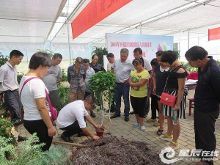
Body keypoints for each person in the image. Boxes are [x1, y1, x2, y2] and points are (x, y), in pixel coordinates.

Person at [185, 46, 220, 165]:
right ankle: (201, 156)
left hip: (208, 109)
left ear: (199, 60)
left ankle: (207, 161)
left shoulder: (215, 71)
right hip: (200, 107)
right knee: (199, 134)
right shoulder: (202, 67)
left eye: (190, 61)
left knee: (207, 136)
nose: (189, 63)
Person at [19, 52, 56, 151]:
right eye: (47, 67)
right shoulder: (36, 82)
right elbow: (42, 107)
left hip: (28, 120)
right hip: (38, 121)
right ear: (40, 66)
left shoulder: (25, 78)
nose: (47, 71)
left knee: (39, 145)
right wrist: (50, 127)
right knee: (44, 148)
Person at [159, 51, 187, 148]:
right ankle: (168, 134)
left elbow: (181, 89)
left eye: (165, 62)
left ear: (170, 60)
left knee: (175, 120)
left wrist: (178, 104)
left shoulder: (180, 71)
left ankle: (175, 141)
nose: (164, 64)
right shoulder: (172, 68)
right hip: (169, 96)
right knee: (169, 117)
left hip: (175, 98)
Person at [0, 50, 24, 124]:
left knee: (19, 107)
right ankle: (13, 128)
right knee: (15, 110)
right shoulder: (4, 68)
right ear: (13, 57)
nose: (20, 61)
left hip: (15, 91)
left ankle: (15, 130)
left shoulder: (14, 68)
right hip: (8, 92)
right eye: (19, 59)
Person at [111, 48, 133, 121]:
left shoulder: (129, 63)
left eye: (124, 56)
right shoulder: (116, 61)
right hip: (117, 84)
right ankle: (117, 112)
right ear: (120, 54)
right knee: (117, 99)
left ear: (127, 55)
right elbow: (112, 68)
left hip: (125, 85)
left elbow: (133, 73)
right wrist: (112, 76)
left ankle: (126, 114)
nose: (123, 58)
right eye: (121, 56)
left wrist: (128, 79)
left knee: (126, 99)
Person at [129, 58, 150, 131]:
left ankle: (142, 124)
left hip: (142, 95)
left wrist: (132, 84)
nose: (136, 67)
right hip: (133, 94)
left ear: (141, 64)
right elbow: (130, 79)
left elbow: (142, 83)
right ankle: (138, 123)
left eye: (137, 65)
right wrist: (132, 83)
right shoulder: (133, 72)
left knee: (141, 110)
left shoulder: (145, 72)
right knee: (136, 110)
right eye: (134, 65)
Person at [152, 51, 169, 135]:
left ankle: (170, 131)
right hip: (159, 92)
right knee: (161, 110)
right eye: (158, 60)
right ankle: (161, 127)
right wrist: (154, 85)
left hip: (169, 93)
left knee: (170, 113)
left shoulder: (171, 67)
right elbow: (154, 76)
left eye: (161, 60)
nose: (159, 62)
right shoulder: (157, 67)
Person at [147, 58, 159, 124]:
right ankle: (153, 117)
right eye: (152, 66)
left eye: (153, 66)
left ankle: (160, 120)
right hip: (152, 90)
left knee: (158, 106)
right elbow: (150, 79)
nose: (152, 67)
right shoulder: (152, 71)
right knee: (153, 105)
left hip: (157, 91)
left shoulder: (159, 72)